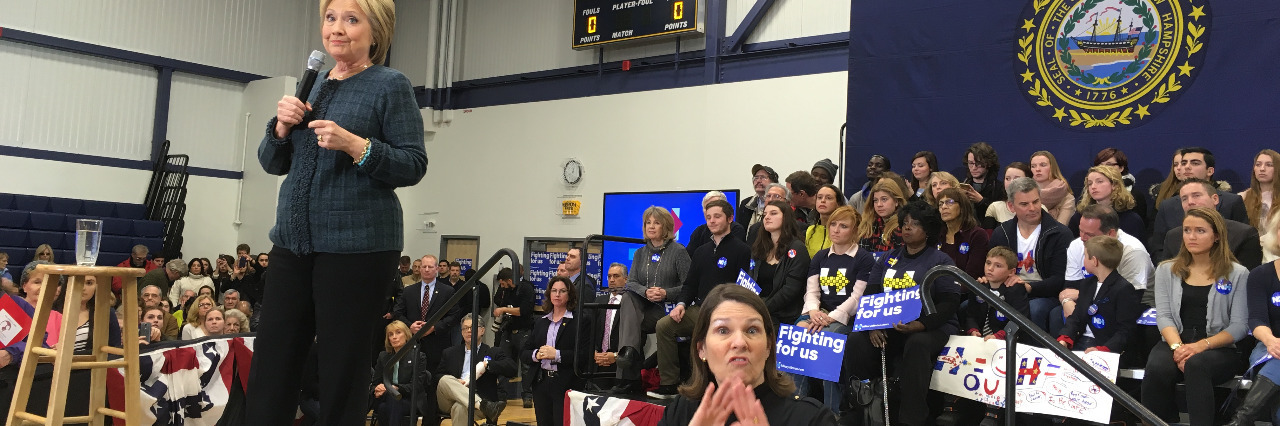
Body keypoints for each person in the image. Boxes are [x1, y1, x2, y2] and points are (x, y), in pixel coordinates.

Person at [246, 0, 427, 422]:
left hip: (357, 247)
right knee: (273, 360)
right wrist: (279, 129)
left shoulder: (389, 85)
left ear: (376, 31)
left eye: (351, 19)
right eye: (330, 18)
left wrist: (356, 146)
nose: (337, 29)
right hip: (293, 242)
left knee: (341, 366)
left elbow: (413, 163)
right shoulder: (312, 84)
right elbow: (272, 163)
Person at [846, 201, 960, 426]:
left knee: (916, 343)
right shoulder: (888, 259)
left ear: (927, 230)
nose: (907, 228)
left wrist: (922, 324)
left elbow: (950, 302)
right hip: (890, 325)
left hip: (931, 326)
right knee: (856, 341)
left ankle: (912, 418)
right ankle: (862, 408)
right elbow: (870, 295)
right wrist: (872, 325)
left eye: (915, 224)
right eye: (904, 223)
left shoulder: (940, 260)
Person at [655, 285, 836, 426]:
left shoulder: (812, 419)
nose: (740, 342)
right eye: (723, 330)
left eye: (752, 330)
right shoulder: (681, 411)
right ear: (702, 349)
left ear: (768, 347)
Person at [1142, 207, 1250, 426]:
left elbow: (1239, 326)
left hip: (1217, 346)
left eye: (1200, 231)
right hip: (1176, 340)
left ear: (1216, 236)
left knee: (1197, 365)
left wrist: (1200, 346)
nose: (1191, 236)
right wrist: (1178, 348)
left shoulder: (1238, 273)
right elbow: (1163, 316)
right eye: (1187, 230)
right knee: (1157, 367)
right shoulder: (1166, 270)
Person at [652, 199, 753, 398]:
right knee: (665, 325)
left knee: (712, 333)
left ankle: (720, 385)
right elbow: (690, 284)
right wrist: (681, 304)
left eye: (717, 217)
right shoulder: (700, 251)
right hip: (699, 309)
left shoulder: (742, 250)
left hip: (727, 313)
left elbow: (744, 287)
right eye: (708, 217)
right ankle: (670, 384)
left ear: (730, 219)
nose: (712, 221)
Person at [796, 205, 875, 414]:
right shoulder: (820, 257)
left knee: (827, 341)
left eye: (843, 226)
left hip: (848, 319)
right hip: (820, 314)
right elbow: (811, 292)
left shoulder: (863, 258)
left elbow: (857, 298)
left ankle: (834, 411)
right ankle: (796, 406)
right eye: (833, 224)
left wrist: (828, 318)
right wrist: (813, 312)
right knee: (798, 334)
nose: (836, 230)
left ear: (855, 230)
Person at [989, 177, 1072, 332]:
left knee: (1034, 309)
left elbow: (1059, 279)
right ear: (1011, 206)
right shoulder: (1002, 233)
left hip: (1044, 295)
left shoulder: (1060, 234)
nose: (1032, 208)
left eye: (1036, 201)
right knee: (969, 305)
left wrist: (1028, 287)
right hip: (1007, 291)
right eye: (1024, 204)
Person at [619, 206, 691, 373]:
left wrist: (666, 293)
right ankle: (629, 354)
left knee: (629, 322)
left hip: (668, 308)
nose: (651, 226)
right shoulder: (639, 253)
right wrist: (645, 292)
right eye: (648, 223)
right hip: (644, 307)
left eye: (656, 223)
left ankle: (628, 366)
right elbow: (631, 282)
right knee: (628, 297)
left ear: (665, 226)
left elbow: (689, 286)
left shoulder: (679, 251)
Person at [962, 247, 1028, 425]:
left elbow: (1020, 321)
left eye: (998, 265)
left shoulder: (1016, 290)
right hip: (979, 340)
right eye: (988, 263)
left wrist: (999, 336)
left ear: (1011, 272)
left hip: (1004, 342)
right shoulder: (978, 286)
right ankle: (952, 405)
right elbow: (970, 315)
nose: (990, 268)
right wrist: (973, 330)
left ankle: (993, 411)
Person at [1060, 205, 1155, 327]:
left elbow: (1129, 299)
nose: (1082, 238)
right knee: (1060, 315)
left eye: (1089, 234)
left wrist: (1082, 296)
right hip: (1093, 301)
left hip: (1136, 307)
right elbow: (1069, 288)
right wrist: (1066, 301)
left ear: (1110, 234)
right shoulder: (1076, 245)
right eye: (1080, 230)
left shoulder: (1133, 252)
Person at [1150, 147, 1250, 258]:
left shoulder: (1232, 202)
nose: (1187, 167)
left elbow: (1243, 241)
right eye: (1183, 163)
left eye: (1195, 163)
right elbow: (1158, 248)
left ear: (1210, 171)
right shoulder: (1167, 206)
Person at [1056, 236, 1142, 354]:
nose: (1083, 260)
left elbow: (1125, 330)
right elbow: (1076, 317)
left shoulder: (1123, 288)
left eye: (1085, 256)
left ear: (1094, 261)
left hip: (1104, 346)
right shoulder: (1087, 284)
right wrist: (1064, 338)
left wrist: (1102, 350)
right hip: (1080, 341)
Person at [1231, 224, 1280, 425]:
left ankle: (1240, 420)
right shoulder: (1261, 275)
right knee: (1277, 359)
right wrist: (1271, 341)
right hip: (1268, 346)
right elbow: (1256, 318)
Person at [1156, 179, 1262, 269]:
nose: (1190, 202)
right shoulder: (1173, 236)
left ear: (1215, 199)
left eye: (1196, 195)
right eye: (1184, 199)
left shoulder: (1244, 234)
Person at [523, 276, 583, 426]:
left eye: (562, 291)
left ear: (569, 295)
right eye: (554, 291)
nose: (557, 294)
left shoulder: (579, 321)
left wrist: (556, 354)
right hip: (541, 382)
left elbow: (583, 355)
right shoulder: (541, 321)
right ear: (549, 294)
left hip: (565, 383)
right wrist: (536, 354)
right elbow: (524, 352)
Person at [436, 314, 512, 424]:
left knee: (460, 407)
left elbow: (511, 368)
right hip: (449, 399)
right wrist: (455, 381)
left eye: (473, 327)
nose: (468, 331)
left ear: (482, 330)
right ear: (461, 332)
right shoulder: (449, 353)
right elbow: (438, 376)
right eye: (465, 328)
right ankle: (482, 405)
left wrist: (488, 364)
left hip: (477, 400)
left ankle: (479, 404)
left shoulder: (493, 352)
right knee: (444, 379)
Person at [393, 255, 459, 370]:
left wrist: (434, 327)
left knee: (433, 380)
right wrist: (409, 326)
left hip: (437, 344)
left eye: (430, 267)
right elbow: (398, 313)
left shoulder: (447, 291)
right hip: (412, 343)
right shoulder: (409, 291)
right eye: (424, 267)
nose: (426, 270)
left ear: (437, 269)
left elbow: (454, 316)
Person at [750, 201, 810, 326]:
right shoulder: (759, 247)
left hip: (785, 314)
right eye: (765, 214)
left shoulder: (797, 248)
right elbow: (750, 281)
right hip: (758, 309)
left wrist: (762, 308)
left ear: (786, 218)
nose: (767, 217)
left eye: (773, 213)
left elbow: (790, 290)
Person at [371, 320, 431, 426]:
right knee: (390, 400)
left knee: (384, 407)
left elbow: (416, 386)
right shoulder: (383, 356)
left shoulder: (418, 356)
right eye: (391, 334)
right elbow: (375, 382)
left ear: (406, 335)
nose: (394, 337)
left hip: (409, 400)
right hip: (386, 397)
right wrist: (377, 388)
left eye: (398, 332)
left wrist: (394, 388)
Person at [491, 266, 536, 407]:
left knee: (526, 365)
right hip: (508, 330)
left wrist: (504, 309)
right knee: (503, 362)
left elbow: (524, 310)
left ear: (509, 280)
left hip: (524, 331)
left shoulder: (526, 288)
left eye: (503, 284)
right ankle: (501, 395)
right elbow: (499, 301)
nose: (502, 287)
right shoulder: (506, 291)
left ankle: (527, 395)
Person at [1069, 165, 1146, 241]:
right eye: (1090, 183)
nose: (1093, 187)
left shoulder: (1131, 220)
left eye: (1099, 182)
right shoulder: (1079, 217)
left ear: (1114, 185)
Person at [593, 263, 636, 394]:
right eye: (609, 276)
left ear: (626, 279)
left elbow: (636, 336)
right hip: (598, 363)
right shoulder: (599, 301)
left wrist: (617, 356)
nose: (611, 280)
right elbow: (591, 330)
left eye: (616, 276)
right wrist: (593, 353)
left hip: (622, 365)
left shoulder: (632, 302)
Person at [936, 188, 990, 280]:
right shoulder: (936, 235)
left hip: (965, 290)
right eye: (940, 204)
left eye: (949, 202)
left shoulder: (977, 235)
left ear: (962, 206)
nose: (944, 207)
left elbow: (972, 276)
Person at [1093, 148, 1148, 226]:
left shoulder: (1134, 196)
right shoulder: (1091, 193)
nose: (1103, 169)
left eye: (1109, 165)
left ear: (1121, 168)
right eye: (1100, 165)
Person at [1243, 150, 1280, 260]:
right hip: (1250, 253)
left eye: (1269, 165)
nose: (1262, 169)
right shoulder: (1243, 198)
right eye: (1258, 164)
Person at [18, 261, 64, 347]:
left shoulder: (61, 319)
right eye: (37, 282)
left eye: (50, 283)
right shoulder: (9, 311)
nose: (44, 287)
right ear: (24, 286)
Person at [857, 180, 907, 255]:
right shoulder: (867, 224)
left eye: (884, 199)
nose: (879, 204)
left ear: (896, 201)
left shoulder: (903, 226)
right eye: (875, 200)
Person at [1029, 151, 1076, 224]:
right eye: (1033, 166)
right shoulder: (1024, 193)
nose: (1037, 169)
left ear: (1052, 167)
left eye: (1043, 165)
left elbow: (1061, 229)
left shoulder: (1067, 198)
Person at [982, 162, 1033, 229]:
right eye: (1007, 178)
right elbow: (989, 238)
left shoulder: (1038, 209)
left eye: (1017, 179)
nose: (1011, 182)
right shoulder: (995, 208)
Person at [803, 184, 847, 257]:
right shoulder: (810, 231)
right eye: (819, 197)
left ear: (838, 203)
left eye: (828, 198)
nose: (823, 201)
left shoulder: (843, 231)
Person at [962, 142, 1003, 219]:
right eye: (970, 163)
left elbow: (1001, 214)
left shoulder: (999, 188)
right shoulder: (963, 184)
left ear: (989, 163)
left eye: (978, 163)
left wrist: (982, 201)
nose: (974, 168)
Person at [739, 164, 780, 229]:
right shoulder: (745, 204)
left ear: (773, 182)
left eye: (763, 177)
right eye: (756, 178)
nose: (758, 181)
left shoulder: (779, 203)